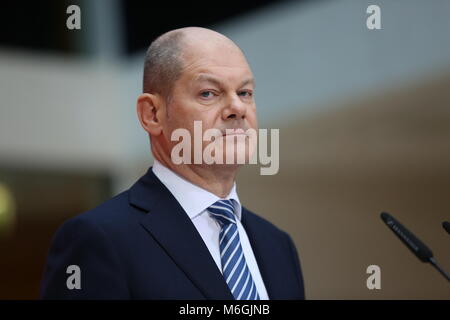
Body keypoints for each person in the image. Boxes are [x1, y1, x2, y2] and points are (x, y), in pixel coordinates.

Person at [40, 27, 305, 300]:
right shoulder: (99, 239)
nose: (237, 108)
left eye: (245, 92)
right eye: (208, 93)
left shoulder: (278, 246)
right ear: (152, 114)